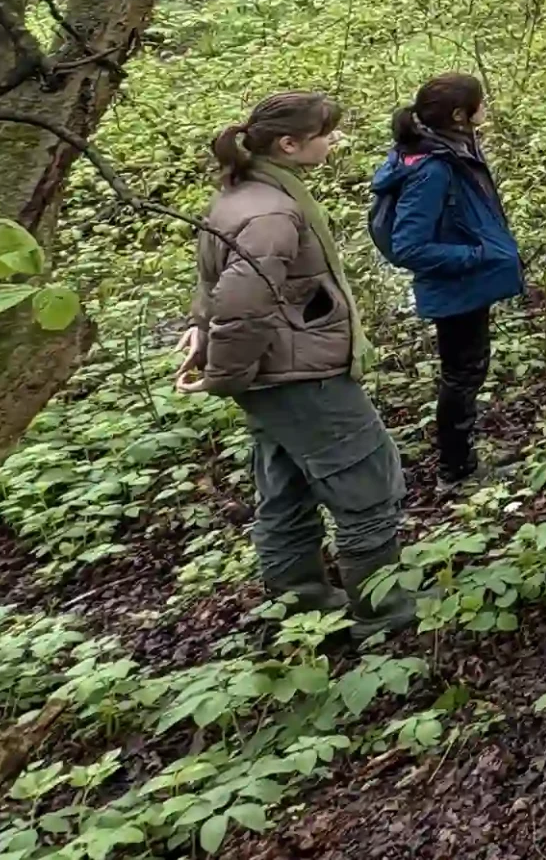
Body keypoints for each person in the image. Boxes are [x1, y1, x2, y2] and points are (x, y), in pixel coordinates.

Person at [177, 92, 415, 638]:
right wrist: (223, 375)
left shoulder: (241, 195)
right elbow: (239, 303)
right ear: (289, 144)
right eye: (325, 134)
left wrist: (205, 336)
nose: (334, 143)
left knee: (286, 488)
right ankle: (383, 615)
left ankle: (301, 606)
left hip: (275, 375)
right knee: (366, 485)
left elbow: (214, 284)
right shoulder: (270, 213)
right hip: (301, 375)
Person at [371, 73, 523, 486]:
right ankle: (456, 470)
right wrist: (477, 255)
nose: (486, 108)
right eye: (480, 103)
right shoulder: (432, 169)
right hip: (457, 283)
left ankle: (462, 455)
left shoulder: (447, 144)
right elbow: (409, 247)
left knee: (468, 369)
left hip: (467, 281)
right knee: (462, 374)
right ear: (459, 115)